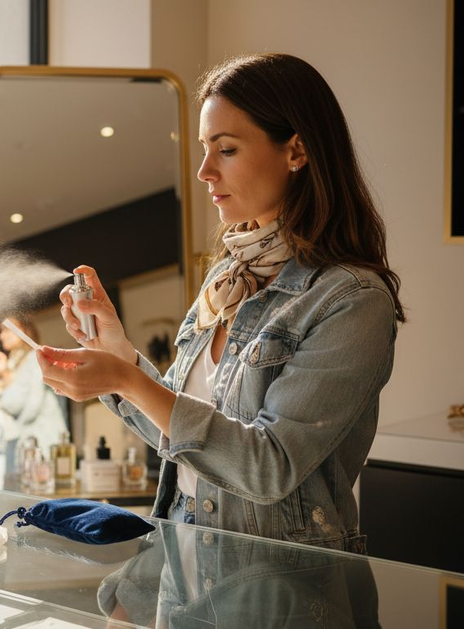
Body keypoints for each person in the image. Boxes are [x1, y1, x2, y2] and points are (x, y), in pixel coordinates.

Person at [36, 53, 404, 553]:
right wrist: (116, 353)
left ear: (296, 151)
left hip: (280, 583)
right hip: (183, 570)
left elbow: (268, 467)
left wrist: (126, 380)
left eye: (226, 149)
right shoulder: (230, 277)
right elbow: (182, 434)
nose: (204, 171)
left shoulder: (352, 301)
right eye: (205, 148)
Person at [0, 315, 67, 488]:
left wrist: (3, 378)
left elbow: (24, 405)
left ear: (24, 331)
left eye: (8, 330)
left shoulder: (33, 359)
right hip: (29, 443)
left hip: (43, 441)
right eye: (1, 331)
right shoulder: (15, 363)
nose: (2, 336)